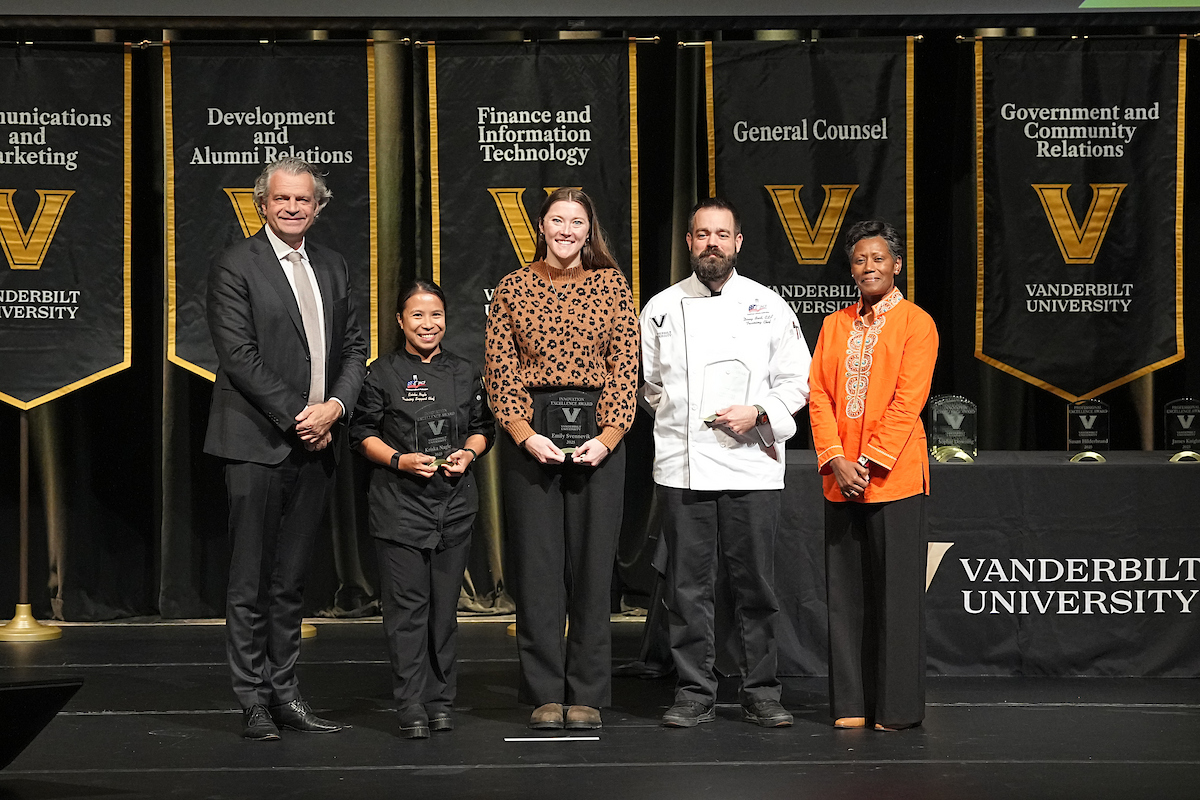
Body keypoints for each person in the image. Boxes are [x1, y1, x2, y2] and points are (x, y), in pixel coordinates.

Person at [205, 157, 367, 740]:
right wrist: (302, 416)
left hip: (319, 441)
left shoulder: (333, 264)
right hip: (256, 440)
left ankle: (285, 693)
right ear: (262, 204)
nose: (293, 208)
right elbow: (238, 356)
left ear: (318, 207)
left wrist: (336, 409)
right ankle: (250, 699)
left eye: (304, 200)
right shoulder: (234, 264)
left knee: (291, 580)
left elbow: (354, 347)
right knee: (250, 577)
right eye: (283, 200)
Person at [640, 196, 811, 728]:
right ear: (689, 243)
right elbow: (648, 389)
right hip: (683, 468)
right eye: (701, 234)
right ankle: (695, 689)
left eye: (722, 234)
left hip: (752, 465)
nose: (711, 242)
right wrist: (687, 424)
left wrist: (757, 411)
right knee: (687, 587)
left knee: (755, 584)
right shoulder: (661, 308)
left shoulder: (769, 305)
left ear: (738, 243)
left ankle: (761, 689)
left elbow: (798, 382)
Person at [484, 187, 639, 730]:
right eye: (557, 220)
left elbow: (625, 367)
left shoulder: (612, 285)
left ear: (588, 228)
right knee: (539, 566)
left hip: (599, 431)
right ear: (542, 226)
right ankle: (544, 689)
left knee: (593, 566)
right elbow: (499, 371)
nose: (567, 230)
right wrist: (525, 435)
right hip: (534, 432)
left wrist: (610, 434)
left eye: (577, 221)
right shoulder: (513, 287)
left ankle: (589, 689)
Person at [807, 219, 939, 732]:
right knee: (846, 598)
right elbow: (819, 394)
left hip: (895, 478)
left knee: (897, 598)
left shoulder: (916, 323)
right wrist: (836, 458)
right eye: (860, 259)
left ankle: (897, 709)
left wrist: (868, 462)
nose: (868, 267)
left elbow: (909, 400)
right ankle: (851, 704)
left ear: (896, 265)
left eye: (878, 258)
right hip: (839, 478)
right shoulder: (835, 325)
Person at [350, 280, 494, 739]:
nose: (427, 324)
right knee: (408, 612)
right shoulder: (381, 373)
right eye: (417, 315)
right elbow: (361, 434)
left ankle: (441, 700)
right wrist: (398, 460)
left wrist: (467, 455)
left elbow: (481, 427)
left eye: (435, 315)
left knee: (444, 613)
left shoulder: (465, 370)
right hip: (399, 507)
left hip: (453, 506)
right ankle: (411, 704)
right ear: (399, 321)